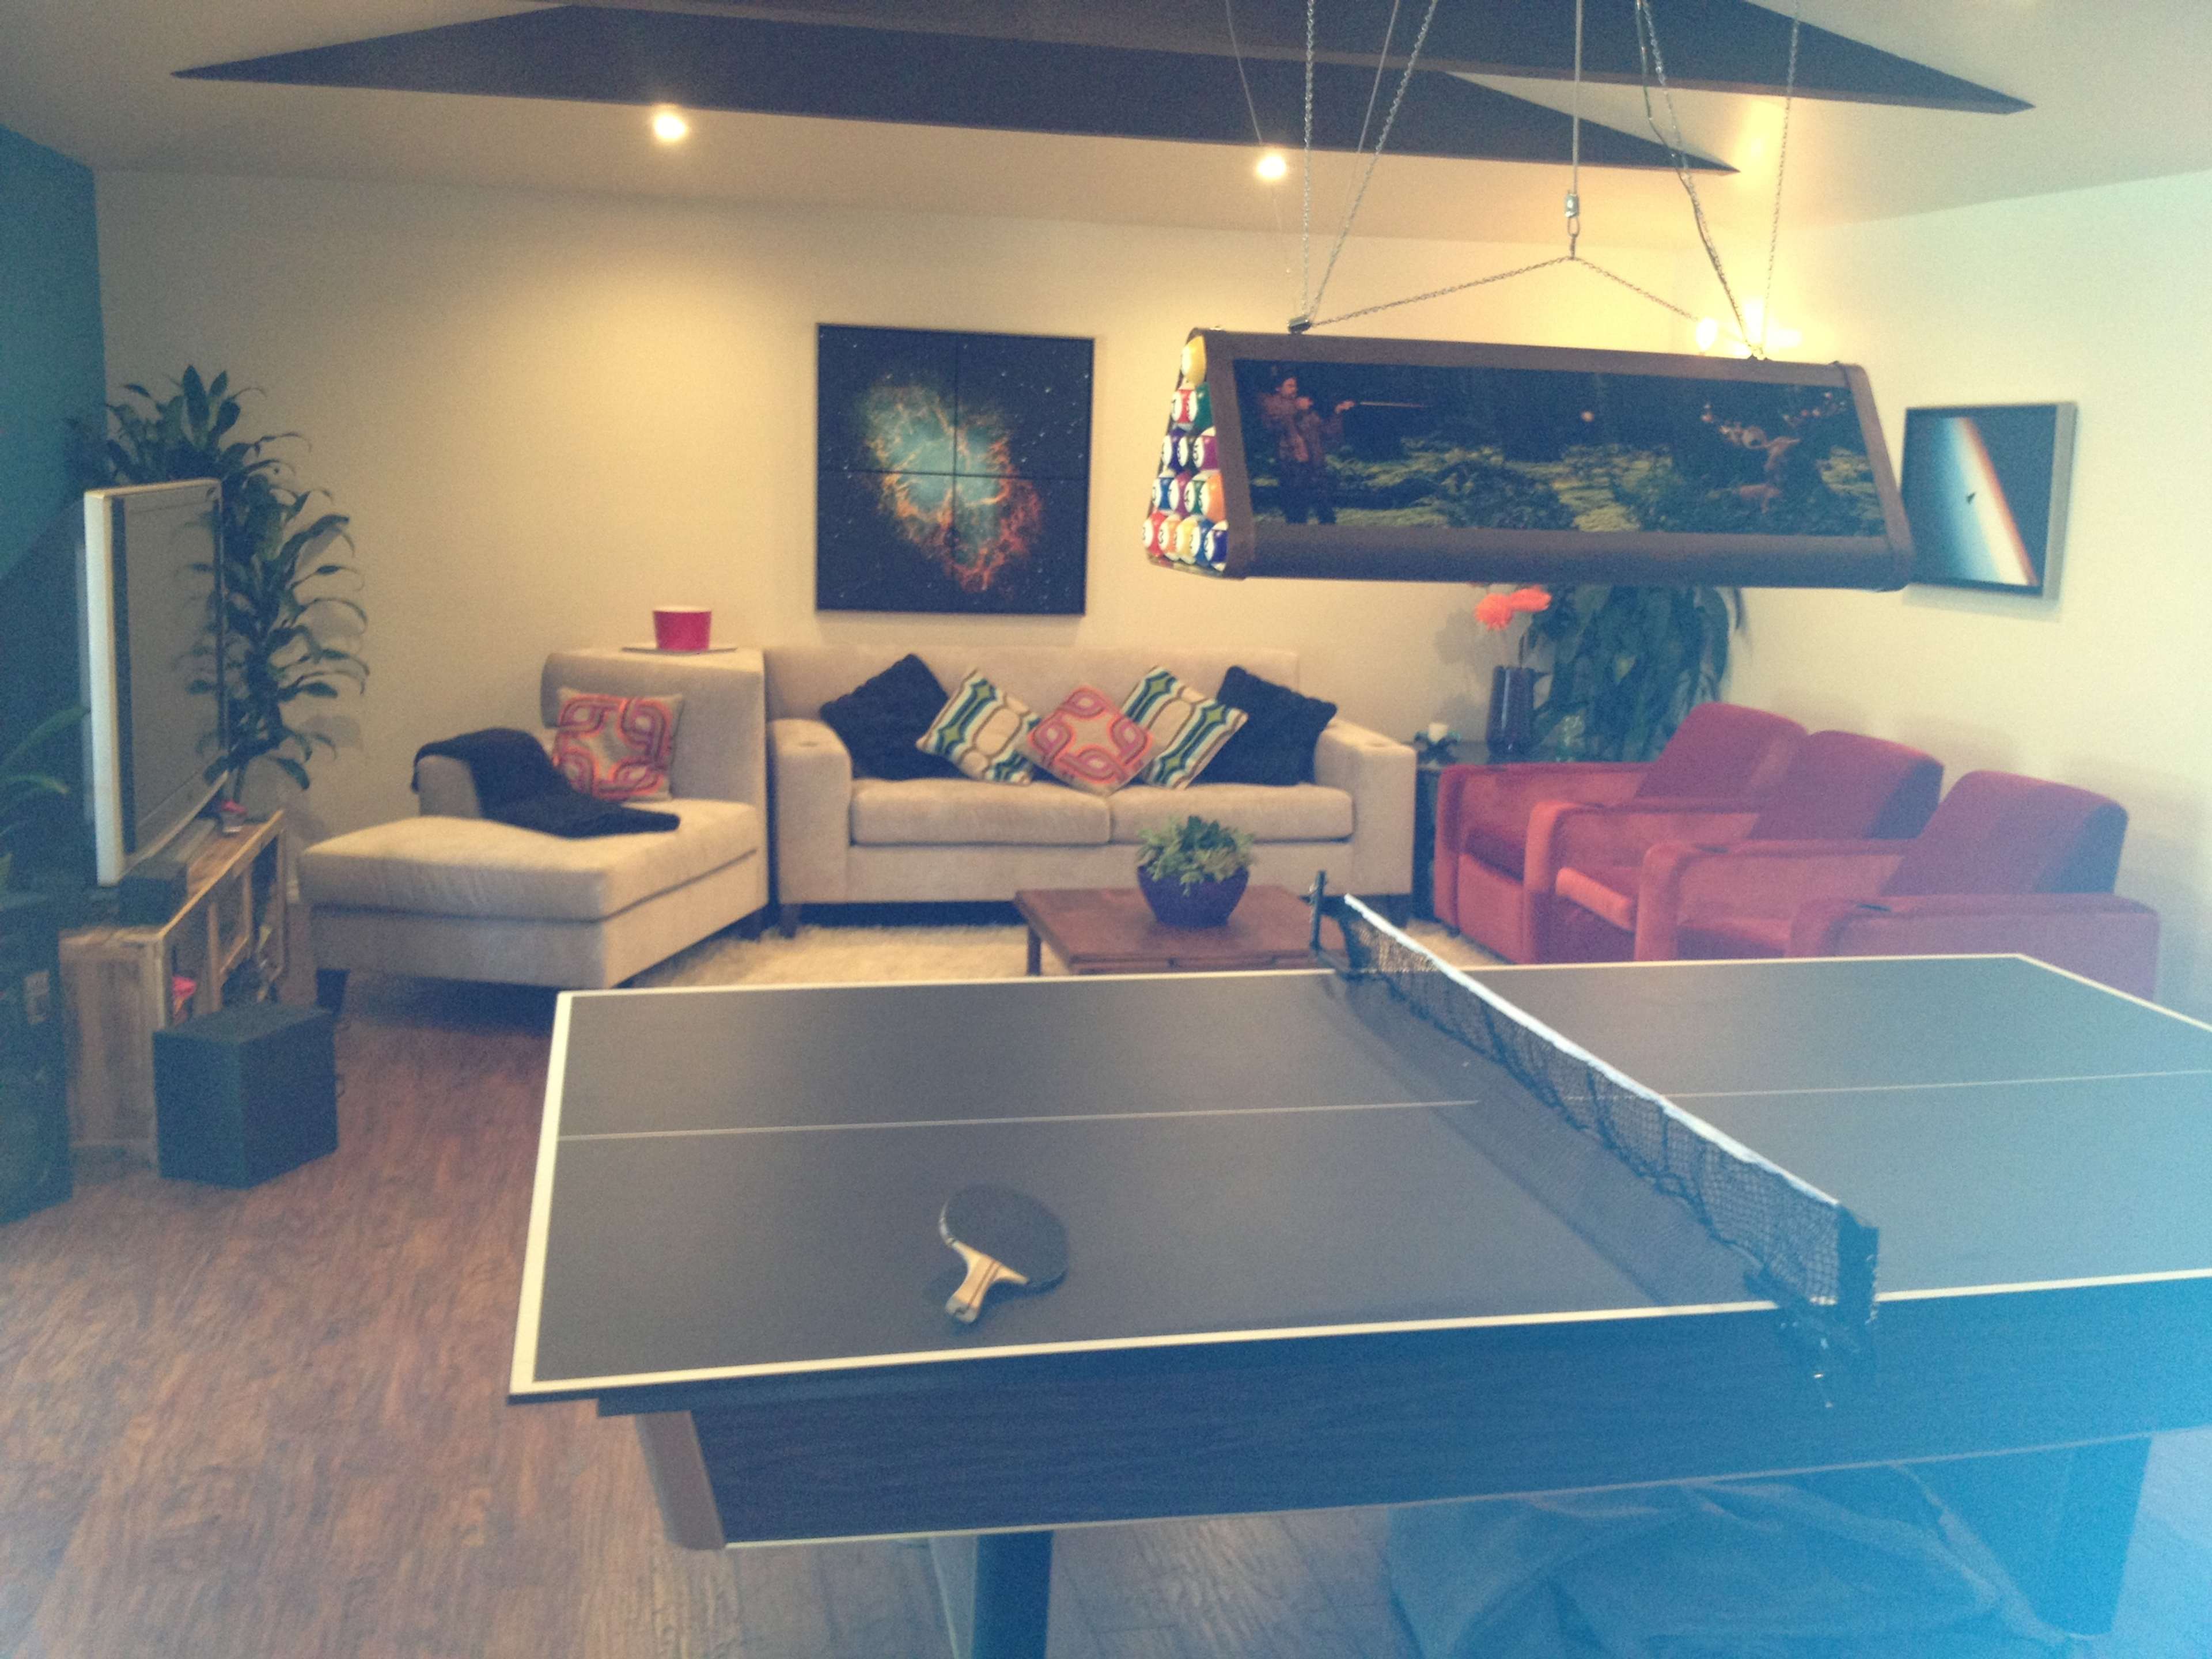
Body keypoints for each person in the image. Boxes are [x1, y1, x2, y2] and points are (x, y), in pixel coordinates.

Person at [1257, 374, 1355, 524]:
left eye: (1295, 386)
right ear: (1278, 388)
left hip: (1314, 471)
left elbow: (1326, 433)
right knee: (1297, 515)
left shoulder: (1306, 412)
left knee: (1326, 515)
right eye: (1290, 386)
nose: (1294, 390)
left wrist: (1337, 412)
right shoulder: (1272, 405)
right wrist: (1296, 408)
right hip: (1292, 470)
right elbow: (1275, 425)